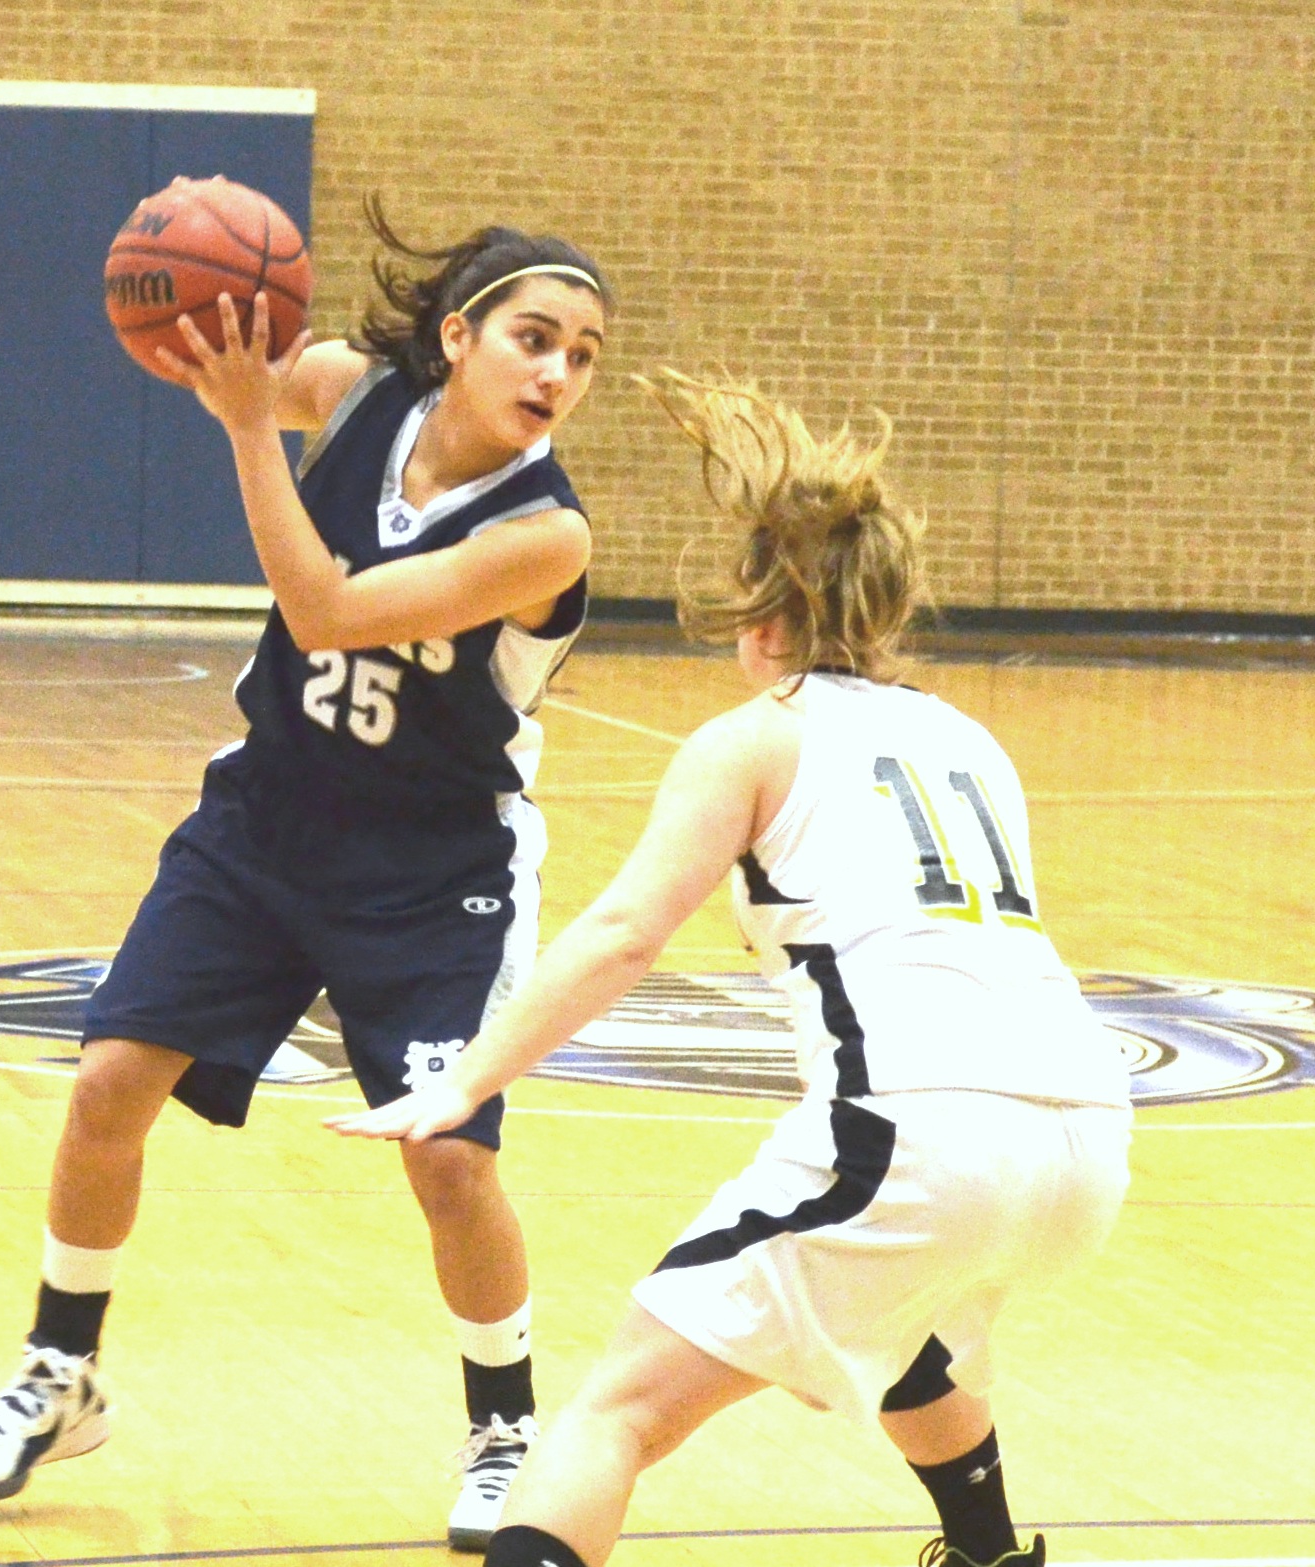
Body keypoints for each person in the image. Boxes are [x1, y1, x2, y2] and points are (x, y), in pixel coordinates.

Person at [333, 370, 1132, 1567]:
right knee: (901, 1332)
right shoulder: (970, 741)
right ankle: (987, 1553)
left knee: (615, 1413)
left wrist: (464, 1081)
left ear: (760, 619)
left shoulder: (754, 738)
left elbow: (623, 933)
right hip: (1086, 1142)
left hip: (921, 1131)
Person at [0, 192, 612, 1552]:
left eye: (583, 355)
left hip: (433, 872)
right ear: (459, 336)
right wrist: (191, 317)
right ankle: (62, 1370)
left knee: (448, 1159)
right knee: (109, 1081)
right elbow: (218, 362)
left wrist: (248, 428)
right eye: (535, 338)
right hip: (268, 819)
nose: (557, 372)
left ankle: (504, 1427)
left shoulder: (544, 533)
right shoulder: (356, 393)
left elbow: (326, 608)